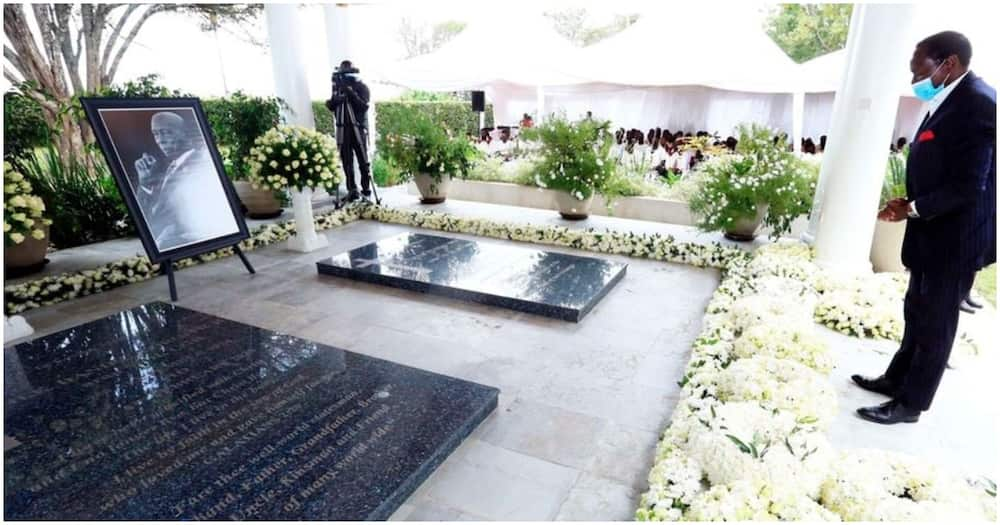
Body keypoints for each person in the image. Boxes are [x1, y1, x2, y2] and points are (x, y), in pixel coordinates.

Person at [855, 31, 996, 425]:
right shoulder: (950, 98)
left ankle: (910, 404)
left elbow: (971, 185)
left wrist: (914, 208)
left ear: (947, 63)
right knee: (916, 310)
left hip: (956, 237)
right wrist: (911, 205)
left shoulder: (980, 105)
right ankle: (896, 379)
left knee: (935, 322)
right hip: (933, 229)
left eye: (918, 68)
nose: (913, 76)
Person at [133, 111, 238, 251]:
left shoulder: (201, 164)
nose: (160, 140)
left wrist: (167, 243)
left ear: (184, 133)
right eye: (156, 134)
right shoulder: (169, 169)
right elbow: (151, 214)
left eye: (166, 132)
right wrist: (145, 182)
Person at [326, 59, 372, 202]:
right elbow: (331, 105)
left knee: (363, 161)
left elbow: (363, 106)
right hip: (343, 129)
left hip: (358, 128)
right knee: (347, 162)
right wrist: (336, 100)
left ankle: (366, 188)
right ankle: (352, 189)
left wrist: (351, 93)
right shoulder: (338, 88)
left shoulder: (362, 87)